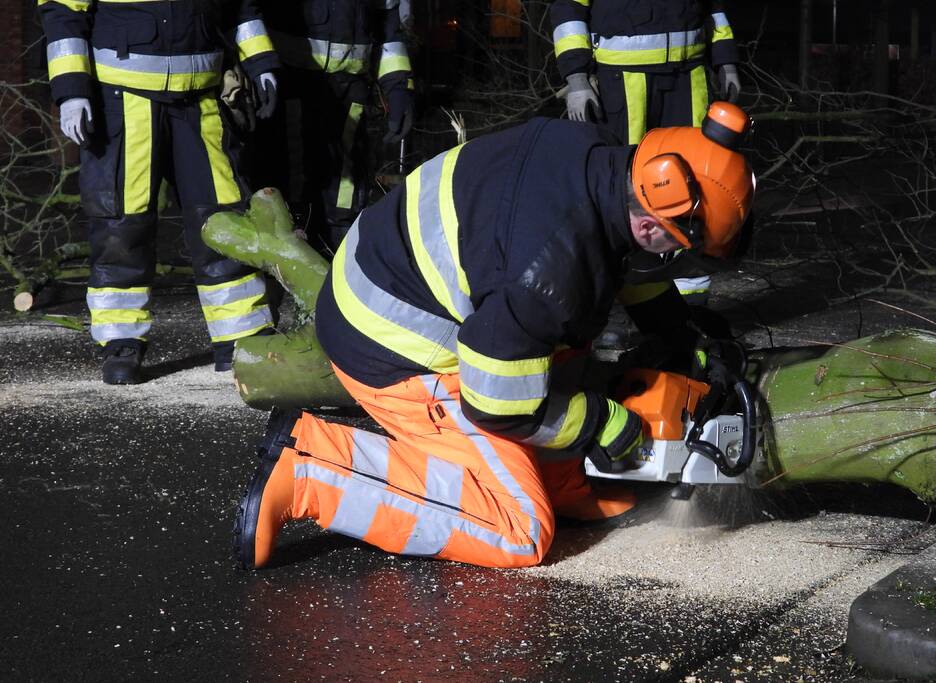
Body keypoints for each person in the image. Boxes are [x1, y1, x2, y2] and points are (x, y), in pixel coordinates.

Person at [233, 102, 754, 570]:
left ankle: (559, 476)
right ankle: (311, 468)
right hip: (393, 345)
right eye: (679, 249)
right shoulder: (545, 275)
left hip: (401, 273)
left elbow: (623, 263)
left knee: (559, 335)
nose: (676, 262)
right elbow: (500, 405)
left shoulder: (599, 159)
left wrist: (678, 331)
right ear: (651, 223)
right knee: (519, 530)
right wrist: (596, 421)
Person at [39, 0, 281, 384]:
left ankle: (242, 337)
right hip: (124, 98)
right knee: (122, 223)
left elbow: (244, 9)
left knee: (222, 220)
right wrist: (71, 91)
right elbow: (62, 11)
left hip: (202, 100)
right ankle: (122, 342)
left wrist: (261, 63)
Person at [550, 0, 742, 306]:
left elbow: (714, 7)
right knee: (624, 189)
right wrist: (576, 77)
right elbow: (568, 9)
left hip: (688, 75)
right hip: (622, 80)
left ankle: (690, 301)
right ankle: (623, 300)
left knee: (694, 182)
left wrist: (726, 60)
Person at [254, 0, 416, 251]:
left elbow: (390, 29)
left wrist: (398, 87)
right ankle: (291, 248)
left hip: (351, 84)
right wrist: (259, 68)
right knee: (291, 173)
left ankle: (341, 247)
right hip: (292, 79)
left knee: (345, 178)